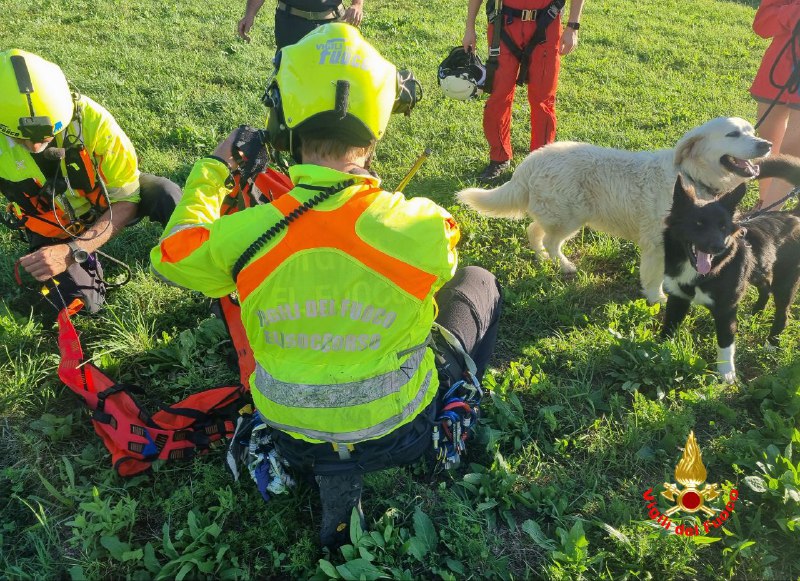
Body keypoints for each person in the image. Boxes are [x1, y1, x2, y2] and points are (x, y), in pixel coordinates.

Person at [151, 23, 501, 549]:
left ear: (282, 125)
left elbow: (173, 254)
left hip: (294, 435)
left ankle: (314, 470)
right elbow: (446, 256)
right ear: (378, 128)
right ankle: (455, 420)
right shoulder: (423, 225)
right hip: (399, 431)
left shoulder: (246, 234)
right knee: (478, 283)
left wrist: (215, 167)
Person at [0, 49, 181, 318]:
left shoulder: (94, 121)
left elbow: (127, 199)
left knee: (168, 194)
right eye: (22, 138)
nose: (36, 145)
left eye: (48, 135)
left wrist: (74, 250)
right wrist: (61, 251)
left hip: (108, 202)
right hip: (51, 224)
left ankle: (203, 259)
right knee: (80, 302)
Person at [463, 0, 586, 182]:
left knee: (543, 100)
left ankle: (541, 161)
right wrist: (469, 28)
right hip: (503, 24)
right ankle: (499, 158)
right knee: (499, 95)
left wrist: (573, 26)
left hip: (547, 22)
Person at [750, 0, 800, 210]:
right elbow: (761, 25)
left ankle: (767, 216)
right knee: (766, 142)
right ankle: (764, 202)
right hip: (778, 70)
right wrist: (793, 11)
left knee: (793, 149)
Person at [237, 0, 364, 49]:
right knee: (289, 74)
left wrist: (357, 4)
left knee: (333, 78)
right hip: (292, 23)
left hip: (332, 23)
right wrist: (250, 14)